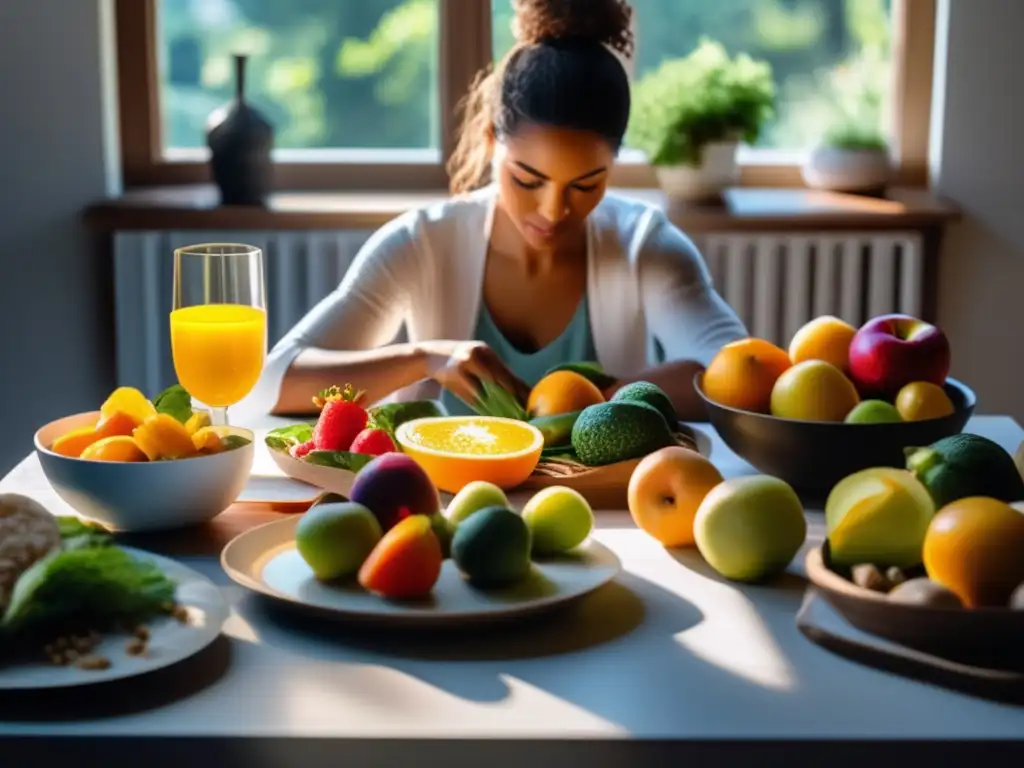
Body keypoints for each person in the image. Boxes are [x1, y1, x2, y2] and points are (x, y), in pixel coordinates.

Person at [246, 0, 748, 423]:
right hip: (438, 512)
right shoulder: (422, 243)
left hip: (611, 515)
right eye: (528, 179)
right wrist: (426, 360)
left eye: (587, 183)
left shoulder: (645, 246)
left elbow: (742, 375)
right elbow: (271, 382)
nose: (554, 210)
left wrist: (592, 400)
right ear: (490, 140)